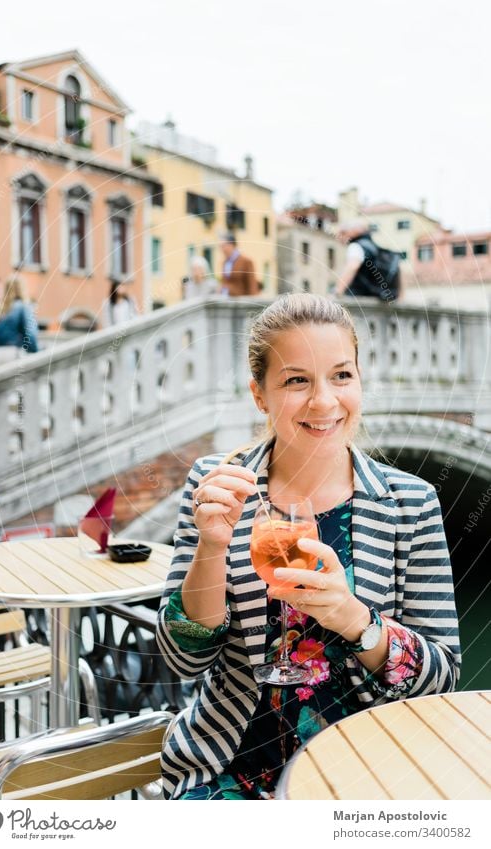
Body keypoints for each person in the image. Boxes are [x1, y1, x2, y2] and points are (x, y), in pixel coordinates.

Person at [156, 292, 460, 800]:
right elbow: (182, 662)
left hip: (368, 771)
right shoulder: (218, 484)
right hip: (230, 766)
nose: (324, 401)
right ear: (260, 394)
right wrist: (211, 546)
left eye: (341, 375)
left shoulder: (411, 502)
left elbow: (442, 678)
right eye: (297, 380)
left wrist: (355, 621)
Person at [336, 220, 402, 300]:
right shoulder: (373, 247)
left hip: (360, 298)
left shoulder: (356, 246)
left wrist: (337, 292)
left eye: (343, 232)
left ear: (354, 231)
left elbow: (352, 267)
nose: (339, 237)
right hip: (378, 298)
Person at [0, 276, 39, 366]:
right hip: (14, 354)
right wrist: (36, 351)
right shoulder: (23, 307)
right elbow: (30, 335)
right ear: (22, 288)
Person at [220, 232, 258, 296]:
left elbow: (252, 285)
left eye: (223, 246)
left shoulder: (246, 261)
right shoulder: (225, 262)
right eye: (221, 246)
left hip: (242, 301)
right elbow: (225, 282)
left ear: (231, 245)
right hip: (228, 301)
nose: (222, 249)